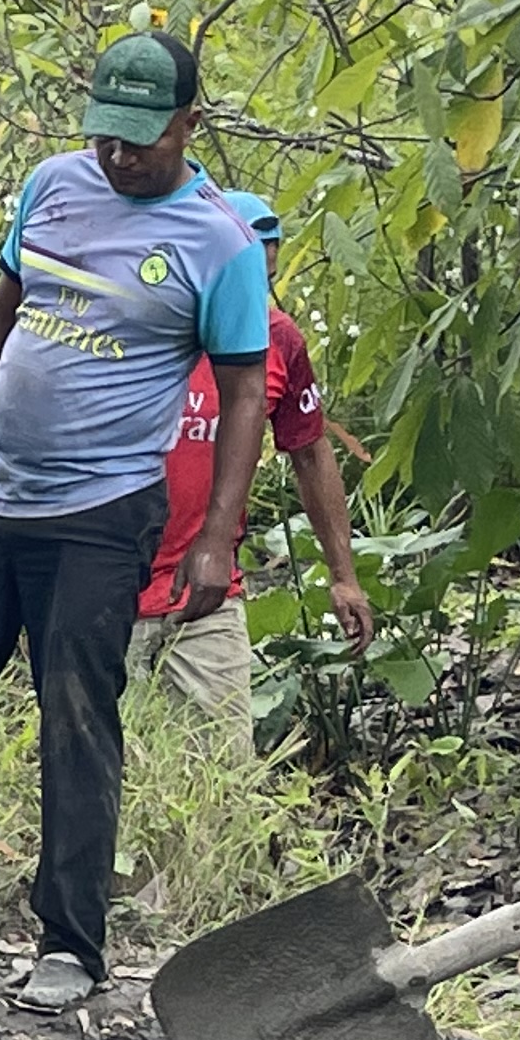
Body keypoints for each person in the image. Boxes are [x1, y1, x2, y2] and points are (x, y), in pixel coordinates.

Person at [0, 31, 272, 1011]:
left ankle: (71, 942)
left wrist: (217, 537)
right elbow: (2, 311)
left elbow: (244, 394)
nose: (120, 154)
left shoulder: (220, 244)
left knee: (75, 715)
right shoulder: (52, 186)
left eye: (142, 137)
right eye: (106, 134)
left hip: (102, 511)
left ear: (189, 124)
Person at [130, 192, 374, 739]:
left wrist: (344, 577)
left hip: (205, 596)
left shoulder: (277, 339)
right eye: (241, 277)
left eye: (264, 279)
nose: (252, 294)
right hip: (103, 588)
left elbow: (310, 451)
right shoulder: (139, 319)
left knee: (220, 766)